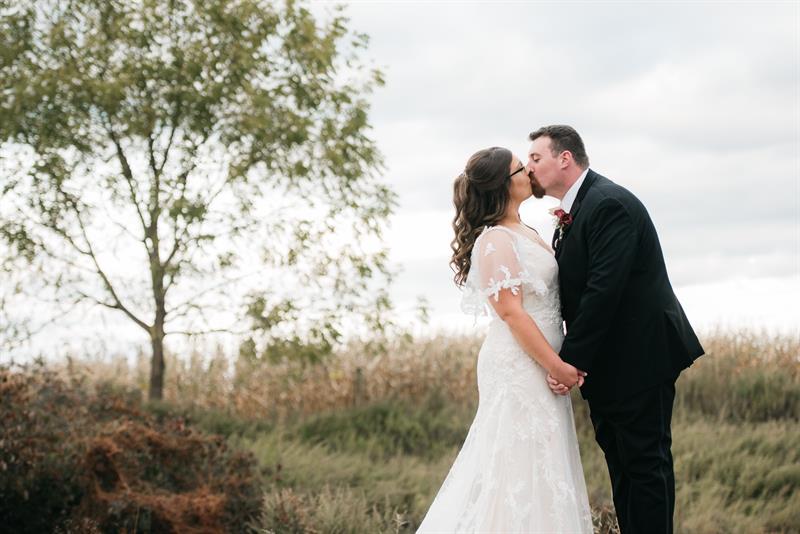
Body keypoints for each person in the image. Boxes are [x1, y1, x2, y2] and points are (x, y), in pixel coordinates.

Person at [528, 125, 705, 534]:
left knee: (644, 465)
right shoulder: (577, 210)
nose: (529, 167)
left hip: (640, 357)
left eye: (536, 158)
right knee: (622, 465)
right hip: (612, 363)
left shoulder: (608, 204)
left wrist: (567, 361)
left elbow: (603, 290)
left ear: (564, 159)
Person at [416, 147, 593, 533]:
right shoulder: (495, 240)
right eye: (520, 167)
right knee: (514, 465)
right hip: (519, 365)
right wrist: (557, 365)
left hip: (539, 363)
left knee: (541, 463)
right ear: (503, 184)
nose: (529, 170)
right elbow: (511, 312)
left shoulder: (525, 232)